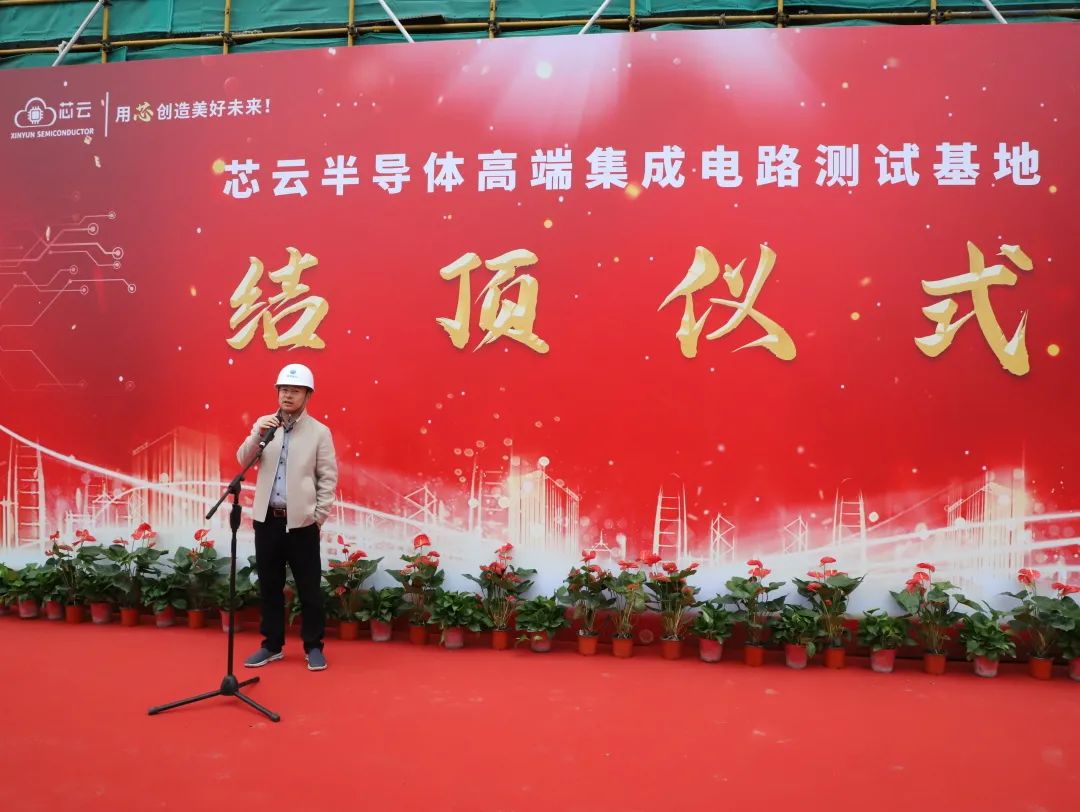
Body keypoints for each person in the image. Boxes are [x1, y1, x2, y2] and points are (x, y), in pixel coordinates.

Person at [238, 363, 338, 671]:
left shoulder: (319, 432)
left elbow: (328, 478)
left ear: (308, 395)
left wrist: (317, 517)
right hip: (267, 519)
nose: (287, 395)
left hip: (301, 523)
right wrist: (257, 432)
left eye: (294, 391)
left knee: (309, 589)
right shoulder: (266, 427)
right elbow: (243, 460)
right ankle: (271, 645)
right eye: (283, 390)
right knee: (269, 586)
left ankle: (313, 646)